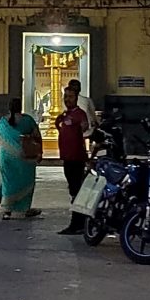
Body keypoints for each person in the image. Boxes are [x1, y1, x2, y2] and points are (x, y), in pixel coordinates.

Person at [0, 97, 42, 220]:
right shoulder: (28, 120)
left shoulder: (2, 122)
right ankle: (22, 209)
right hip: (25, 158)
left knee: (8, 182)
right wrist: (40, 152)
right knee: (25, 182)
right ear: (21, 107)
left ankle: (6, 210)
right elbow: (37, 137)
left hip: (6, 157)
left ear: (9, 108)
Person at [56, 87, 90, 235]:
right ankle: (78, 223)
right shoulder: (65, 115)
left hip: (76, 158)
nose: (67, 99)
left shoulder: (80, 115)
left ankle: (78, 224)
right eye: (66, 96)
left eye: (70, 96)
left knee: (77, 192)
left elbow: (85, 128)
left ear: (76, 98)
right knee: (73, 191)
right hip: (67, 158)